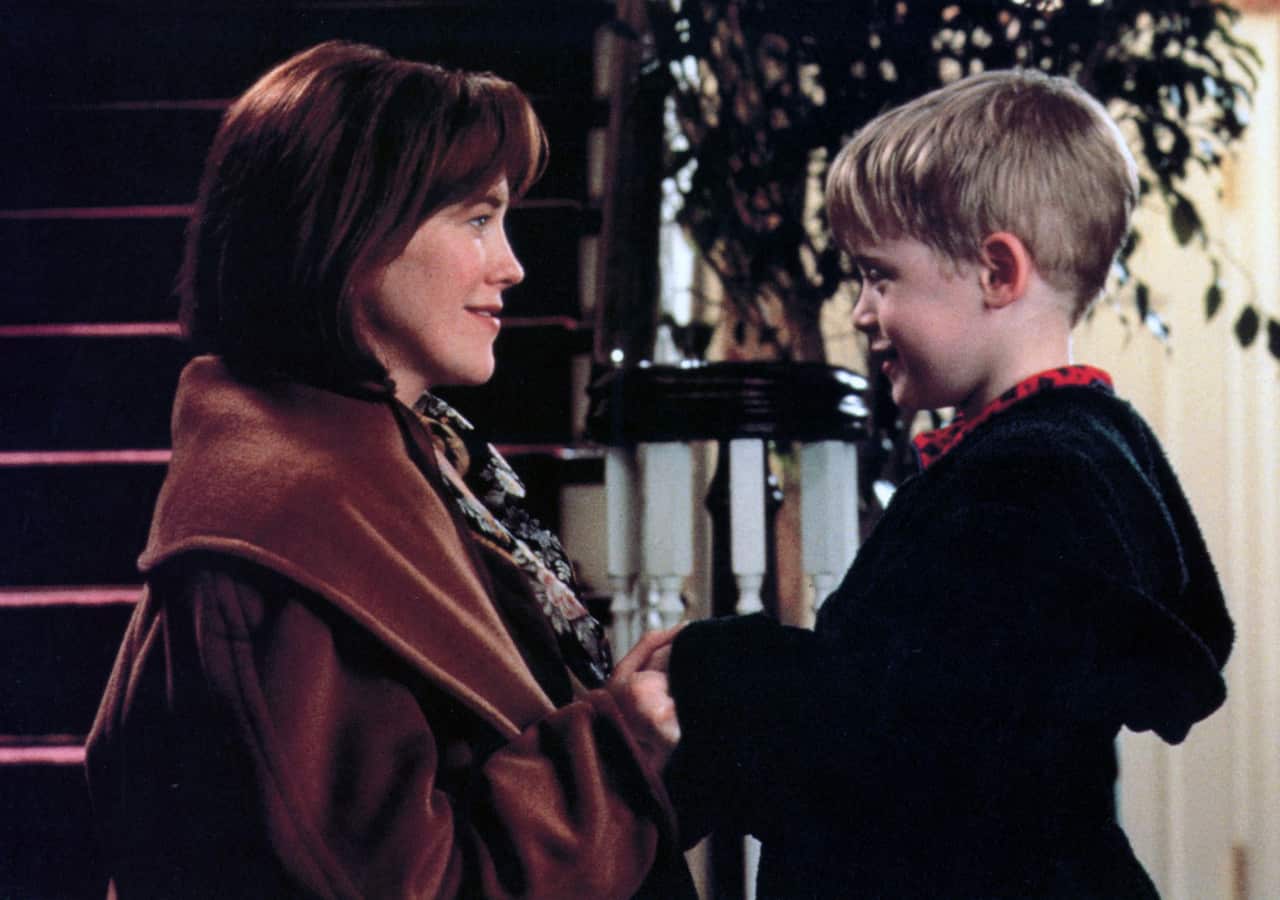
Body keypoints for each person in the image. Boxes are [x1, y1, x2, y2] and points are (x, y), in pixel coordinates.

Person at [85, 41, 694, 899]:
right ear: (353, 231)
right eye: (478, 220)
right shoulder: (289, 527)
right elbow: (417, 885)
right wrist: (619, 748)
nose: (512, 265)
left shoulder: (409, 456)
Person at [665, 69, 1234, 898]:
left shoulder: (1029, 482)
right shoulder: (1086, 448)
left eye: (880, 276)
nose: (861, 311)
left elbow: (893, 753)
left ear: (998, 271)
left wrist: (709, 663)